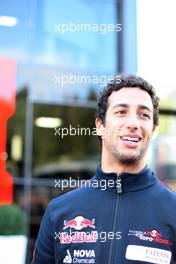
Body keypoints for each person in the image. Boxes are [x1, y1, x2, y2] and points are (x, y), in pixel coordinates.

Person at [32, 75, 176, 264]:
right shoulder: (59, 211)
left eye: (144, 115)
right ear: (100, 126)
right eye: (121, 112)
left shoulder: (172, 210)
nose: (133, 123)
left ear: (153, 129)